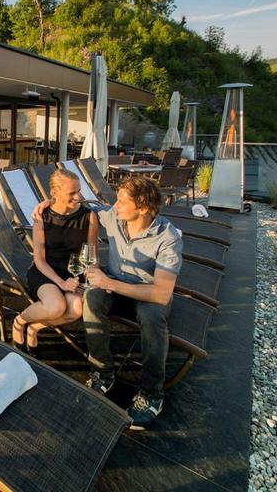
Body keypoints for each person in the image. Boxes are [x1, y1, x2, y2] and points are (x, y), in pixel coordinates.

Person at [33, 176, 182, 431]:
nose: (115, 204)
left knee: (152, 317)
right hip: (115, 287)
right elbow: (80, 204)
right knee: (91, 296)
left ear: (143, 208)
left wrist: (109, 283)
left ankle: (152, 393)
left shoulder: (168, 238)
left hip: (147, 295)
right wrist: (49, 201)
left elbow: (161, 294)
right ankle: (102, 372)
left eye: (123, 201)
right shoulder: (113, 216)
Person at [12, 169, 99, 357]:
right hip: (45, 272)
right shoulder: (41, 217)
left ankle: (34, 328)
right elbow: (39, 260)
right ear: (54, 193)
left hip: (73, 272)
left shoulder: (89, 217)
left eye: (79, 191)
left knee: (76, 309)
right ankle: (19, 321)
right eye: (72, 193)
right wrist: (61, 283)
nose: (78, 197)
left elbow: (91, 255)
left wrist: (90, 277)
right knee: (56, 307)